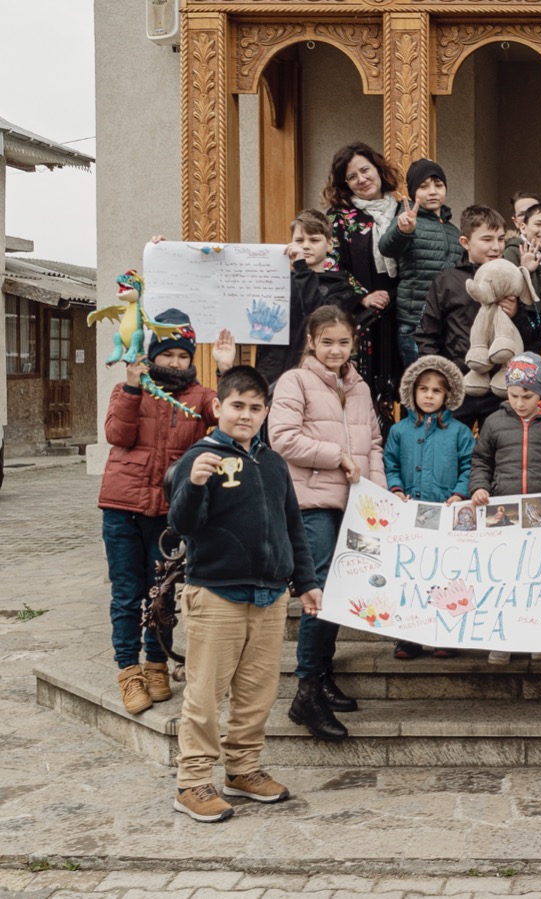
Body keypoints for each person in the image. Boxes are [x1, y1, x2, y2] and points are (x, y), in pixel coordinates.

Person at [168, 365, 320, 823]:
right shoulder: (199, 458)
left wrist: (306, 583)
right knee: (205, 695)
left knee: (256, 693)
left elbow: (292, 527)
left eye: (256, 408)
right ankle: (193, 782)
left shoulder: (273, 463)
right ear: (218, 408)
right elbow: (182, 524)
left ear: (267, 412)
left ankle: (243, 769)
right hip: (216, 595)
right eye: (237, 406)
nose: (246, 415)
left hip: (270, 596)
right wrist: (194, 485)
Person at [100, 310, 228, 714]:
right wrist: (134, 387)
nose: (175, 362)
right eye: (167, 354)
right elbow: (117, 436)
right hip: (122, 507)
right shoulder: (130, 389)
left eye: (183, 355)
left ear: (192, 359)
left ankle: (157, 665)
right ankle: (128, 671)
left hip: (169, 514)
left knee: (163, 595)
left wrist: (225, 373)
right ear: (153, 354)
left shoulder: (201, 397)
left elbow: (229, 420)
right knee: (127, 594)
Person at [268, 306, 387, 738]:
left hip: (354, 505)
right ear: (312, 343)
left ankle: (321, 674)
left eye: (344, 342)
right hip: (312, 502)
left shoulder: (359, 386)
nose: (336, 350)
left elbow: (373, 442)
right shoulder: (294, 381)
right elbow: (280, 439)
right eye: (328, 342)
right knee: (318, 589)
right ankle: (305, 692)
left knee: (341, 589)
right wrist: (336, 457)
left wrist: (377, 493)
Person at [416, 207, 541, 431]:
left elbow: (532, 335)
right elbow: (428, 334)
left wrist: (517, 313)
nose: (496, 247)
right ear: (465, 242)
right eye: (486, 239)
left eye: (501, 239)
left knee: (497, 452)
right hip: (459, 384)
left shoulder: (512, 277)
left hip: (501, 387)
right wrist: (439, 379)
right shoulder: (448, 281)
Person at [384, 355, 476, 662]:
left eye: (436, 391)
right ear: (412, 392)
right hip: (410, 512)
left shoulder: (460, 432)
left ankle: (446, 633)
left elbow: (469, 466)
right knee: (411, 574)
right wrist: (396, 489)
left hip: (445, 512)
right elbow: (390, 463)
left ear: (448, 396)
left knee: (447, 573)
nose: (428, 395)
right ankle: (409, 636)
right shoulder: (399, 431)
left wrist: (460, 493)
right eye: (423, 389)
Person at [323, 142, 404, 420]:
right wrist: (362, 296)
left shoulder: (404, 210)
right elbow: (331, 266)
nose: (362, 179)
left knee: (408, 392)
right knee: (364, 400)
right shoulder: (339, 218)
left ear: (378, 169)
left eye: (365, 170)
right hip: (364, 320)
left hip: (403, 314)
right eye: (352, 176)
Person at [256, 211, 363, 389]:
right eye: (299, 240)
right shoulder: (276, 282)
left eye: (314, 240)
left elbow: (320, 318)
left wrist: (300, 266)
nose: (305, 246)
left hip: (317, 377)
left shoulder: (341, 288)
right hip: (272, 374)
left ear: (329, 245)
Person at [378, 158, 463, 366]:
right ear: (413, 192)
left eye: (438, 185)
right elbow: (386, 248)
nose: (432, 191)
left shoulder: (453, 230)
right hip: (415, 319)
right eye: (424, 187)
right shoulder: (407, 220)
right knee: (419, 381)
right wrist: (403, 231)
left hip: (446, 319)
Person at [469, 353, 541, 505]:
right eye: (513, 396)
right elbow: (481, 460)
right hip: (504, 503)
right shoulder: (493, 422)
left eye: (527, 397)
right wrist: (480, 487)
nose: (519, 403)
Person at [505, 194, 541, 326]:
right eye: (538, 224)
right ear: (523, 227)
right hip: (528, 325)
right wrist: (525, 271)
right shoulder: (514, 250)